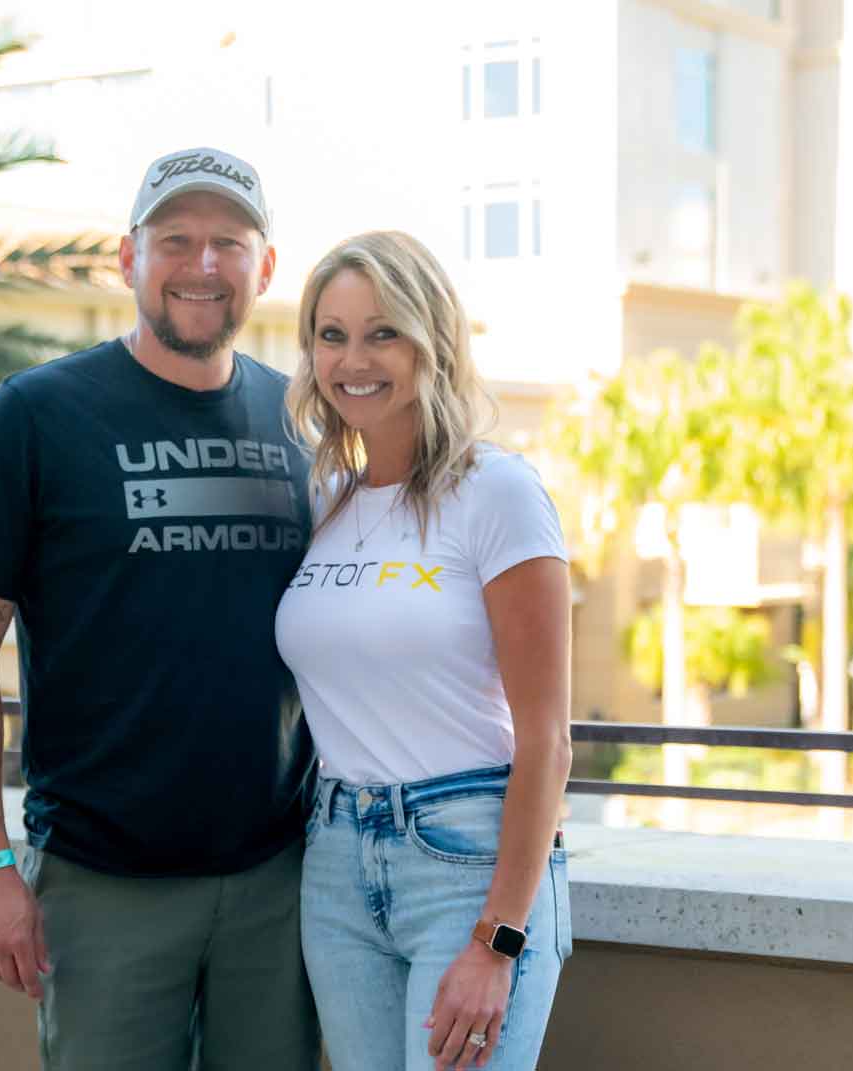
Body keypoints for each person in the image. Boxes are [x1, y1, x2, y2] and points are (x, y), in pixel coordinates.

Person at [0, 147, 319, 1071]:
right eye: (175, 239)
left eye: (229, 241)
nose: (203, 264)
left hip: (279, 878)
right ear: (127, 258)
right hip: (103, 884)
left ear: (264, 267)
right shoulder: (35, 414)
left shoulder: (300, 419)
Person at [275, 231, 573, 1071]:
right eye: (330, 335)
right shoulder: (326, 498)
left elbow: (548, 738)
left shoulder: (498, 493)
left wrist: (500, 939)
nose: (353, 359)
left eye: (382, 332)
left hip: (468, 859)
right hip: (334, 860)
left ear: (431, 339)